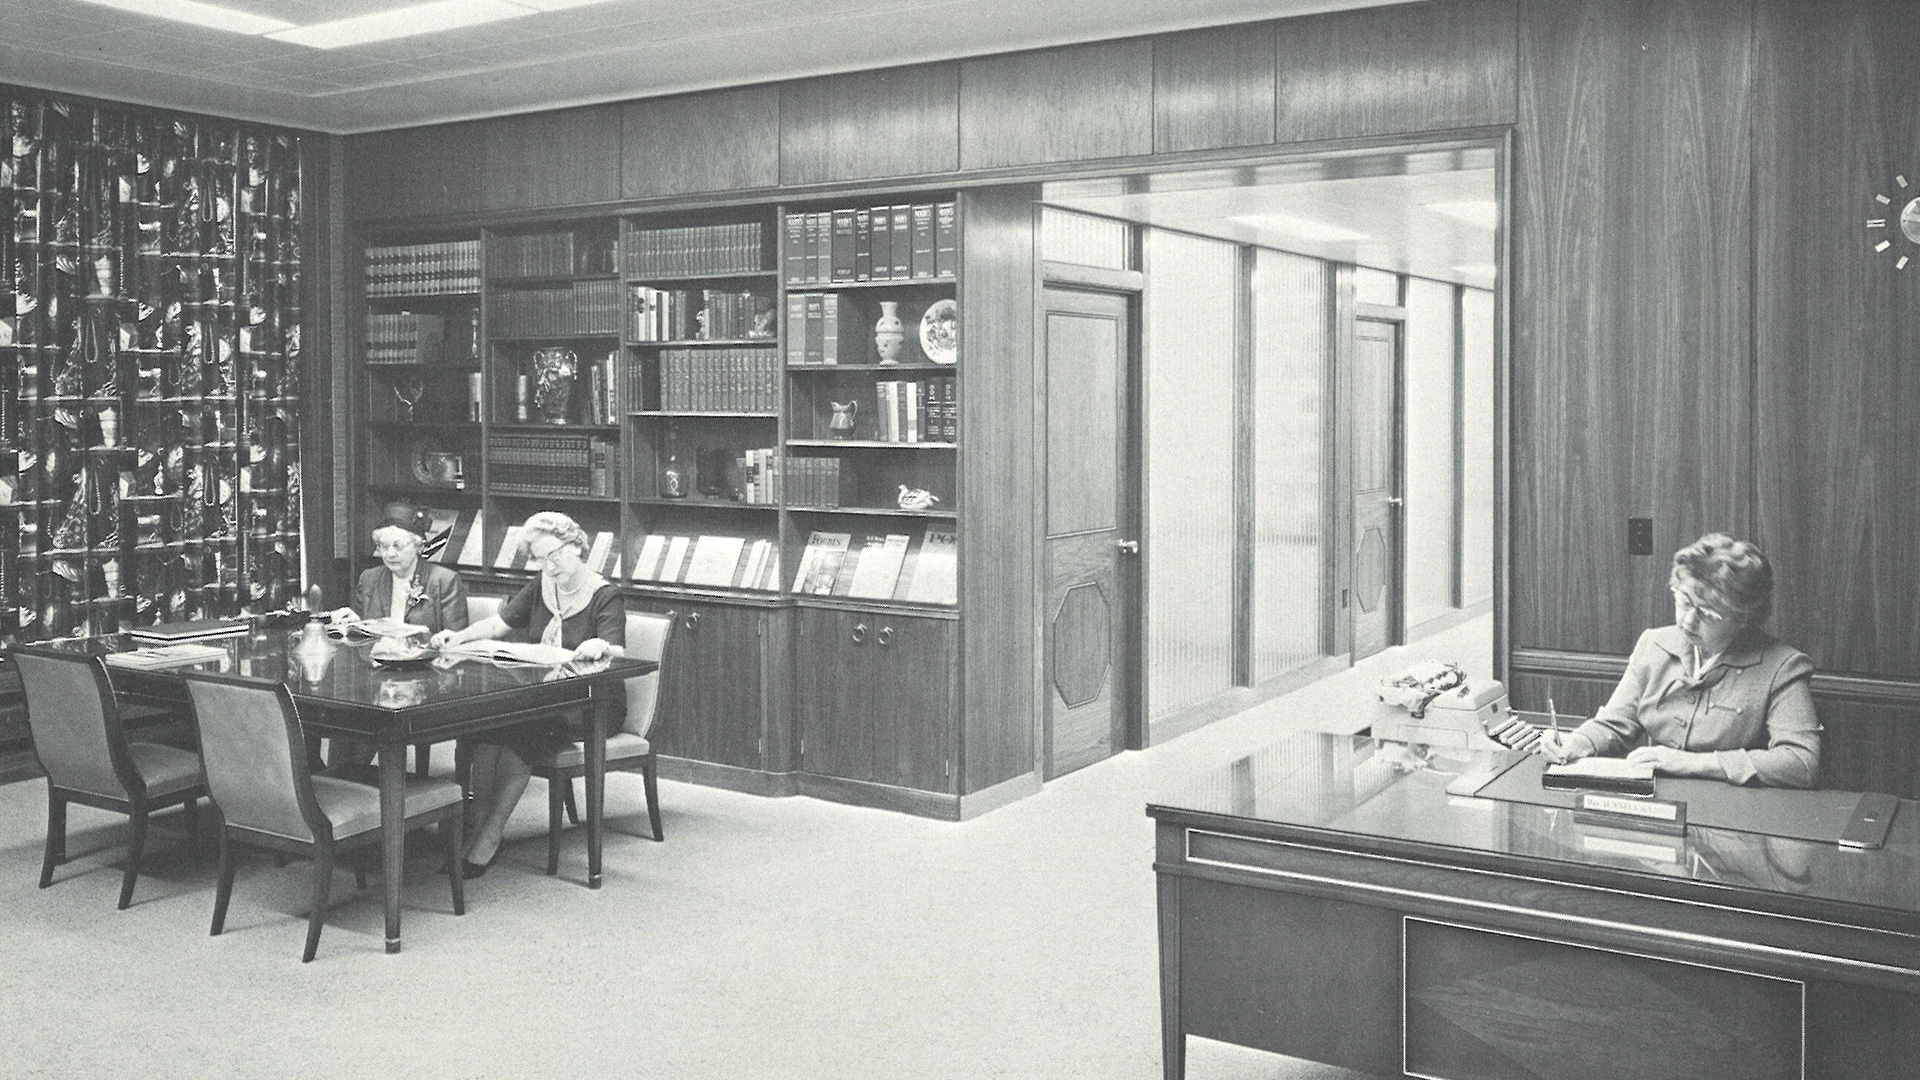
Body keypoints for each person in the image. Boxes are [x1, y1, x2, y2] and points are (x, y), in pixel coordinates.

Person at [1534, 533, 1821, 788]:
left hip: (1730, 820)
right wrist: (1576, 742)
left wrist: (1690, 763)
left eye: (1707, 613)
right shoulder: (1654, 644)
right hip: (1655, 807)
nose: (1687, 621)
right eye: (1683, 602)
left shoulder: (1782, 667)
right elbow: (1614, 724)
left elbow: (1801, 762)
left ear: (1744, 618)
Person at [430, 512, 623, 877]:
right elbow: (500, 623)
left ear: (577, 547)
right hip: (545, 695)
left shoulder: (604, 594)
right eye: (541, 559)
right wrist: (458, 638)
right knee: (489, 724)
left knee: (524, 729)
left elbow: (617, 648)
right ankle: (481, 824)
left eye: (555, 556)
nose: (549, 567)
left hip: (592, 703)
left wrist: (599, 645)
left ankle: (490, 834)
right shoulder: (541, 585)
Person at [327, 502, 468, 772]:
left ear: (417, 546)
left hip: (424, 678)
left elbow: (455, 642)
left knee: (368, 717)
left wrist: (417, 642)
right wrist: (352, 624)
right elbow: (362, 633)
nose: (389, 554)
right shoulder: (370, 578)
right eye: (383, 547)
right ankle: (340, 779)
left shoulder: (444, 581)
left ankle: (350, 779)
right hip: (376, 673)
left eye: (397, 546)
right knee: (345, 715)